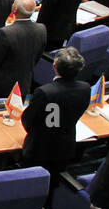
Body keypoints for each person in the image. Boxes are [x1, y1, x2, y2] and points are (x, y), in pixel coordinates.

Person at [21, 47, 91, 176]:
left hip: (39, 149)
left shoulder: (45, 92)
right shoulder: (86, 88)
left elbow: (28, 120)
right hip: (65, 147)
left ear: (54, 66)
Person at [0, 0, 46, 97]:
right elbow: (38, 55)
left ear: (15, 9)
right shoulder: (41, 29)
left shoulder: (5, 32)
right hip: (25, 81)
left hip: (3, 84)